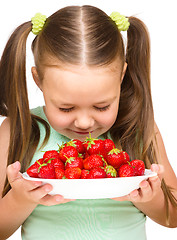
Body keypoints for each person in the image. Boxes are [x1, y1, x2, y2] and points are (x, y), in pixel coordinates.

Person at [0, 5, 176, 240]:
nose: (84, 122)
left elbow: (173, 217)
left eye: (102, 107)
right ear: (38, 80)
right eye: (66, 108)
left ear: (121, 77)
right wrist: (20, 199)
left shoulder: (138, 128)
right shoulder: (19, 129)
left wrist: (152, 199)